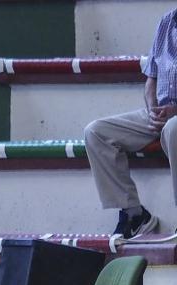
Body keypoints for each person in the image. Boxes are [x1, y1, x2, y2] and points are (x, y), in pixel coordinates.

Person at [84, 7, 177, 238]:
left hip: (175, 117)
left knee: (174, 129)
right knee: (95, 132)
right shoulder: (166, 21)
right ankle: (135, 215)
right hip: (157, 113)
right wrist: (152, 108)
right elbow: (150, 81)